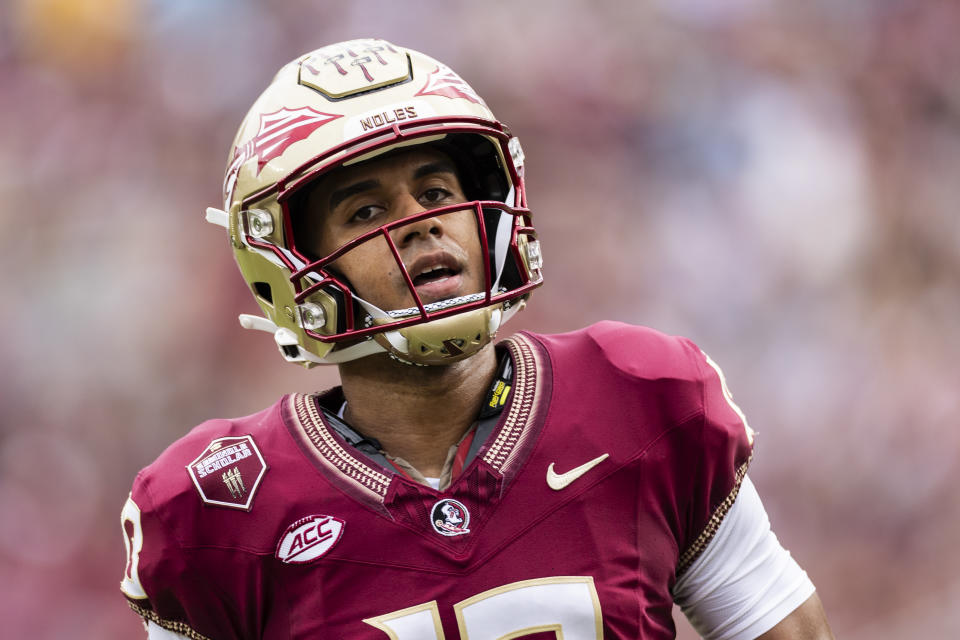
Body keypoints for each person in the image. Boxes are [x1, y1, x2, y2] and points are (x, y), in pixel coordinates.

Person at [119, 39, 834, 640]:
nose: (420, 223)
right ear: (291, 261)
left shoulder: (641, 398)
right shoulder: (220, 508)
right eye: (367, 210)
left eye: (436, 193)